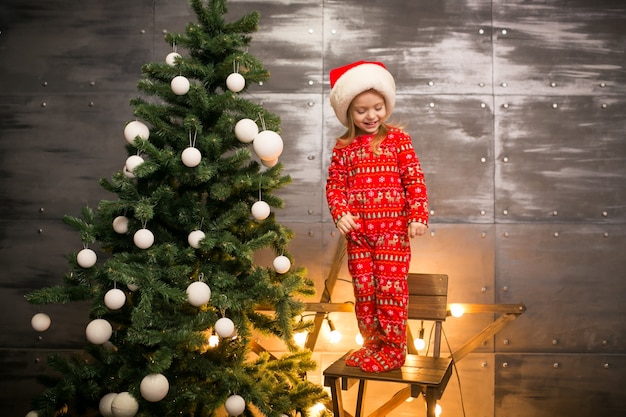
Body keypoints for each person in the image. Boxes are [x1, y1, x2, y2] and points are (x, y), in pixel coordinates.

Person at [325, 61, 429, 372]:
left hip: (392, 235)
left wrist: (418, 215)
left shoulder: (398, 140)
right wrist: (340, 213)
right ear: (348, 113)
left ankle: (394, 351)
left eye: (377, 107)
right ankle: (372, 346)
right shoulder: (343, 148)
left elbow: (414, 179)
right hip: (359, 236)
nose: (371, 116)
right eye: (361, 110)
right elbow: (335, 186)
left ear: (386, 105)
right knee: (364, 292)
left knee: (389, 291)